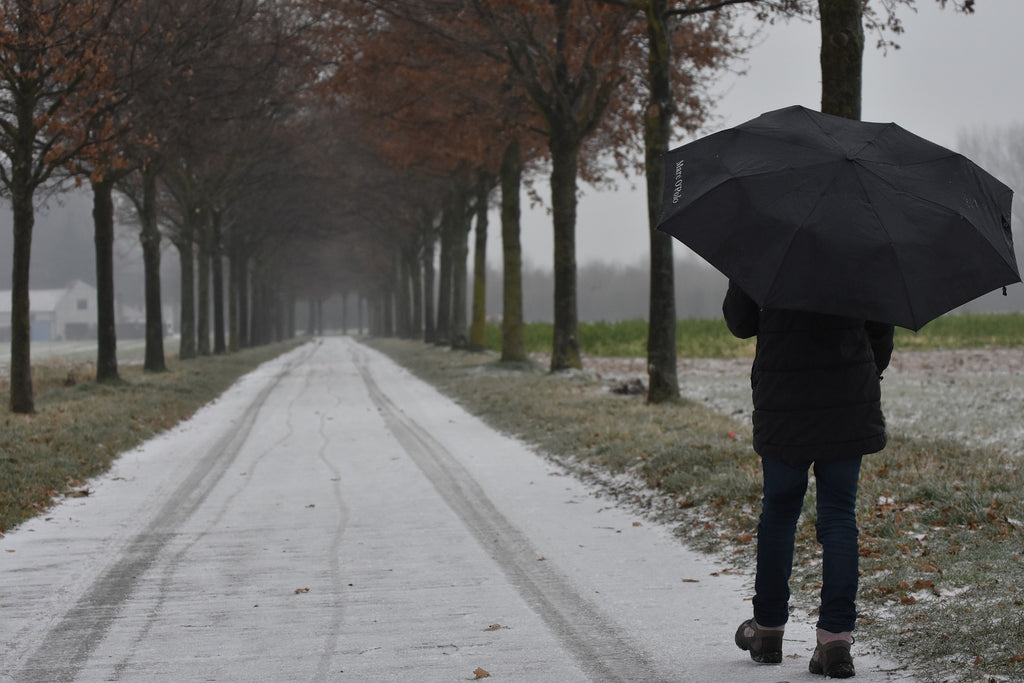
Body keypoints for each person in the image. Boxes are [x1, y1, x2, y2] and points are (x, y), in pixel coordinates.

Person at [723, 280, 894, 679]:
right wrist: (865, 374)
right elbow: (881, 329)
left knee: (780, 512)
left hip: (785, 400)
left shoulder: (767, 238)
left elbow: (741, 321)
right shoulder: (863, 242)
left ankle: (766, 631)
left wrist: (740, 275)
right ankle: (835, 641)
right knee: (838, 517)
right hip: (846, 401)